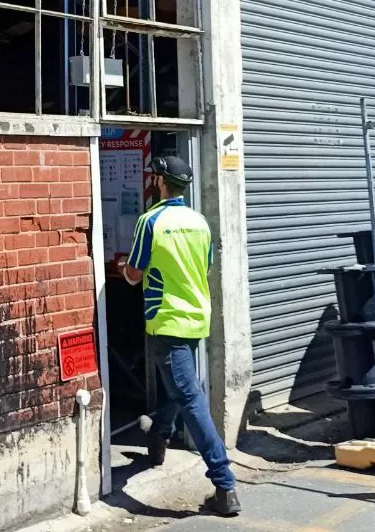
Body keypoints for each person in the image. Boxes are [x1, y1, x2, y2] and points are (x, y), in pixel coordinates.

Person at [119, 155, 240, 517]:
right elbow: (204, 268)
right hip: (195, 320)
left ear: (158, 182)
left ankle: (224, 484)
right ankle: (158, 434)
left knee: (189, 397)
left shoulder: (150, 220)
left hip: (165, 321)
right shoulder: (199, 222)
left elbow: (135, 275)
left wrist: (120, 268)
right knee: (179, 386)